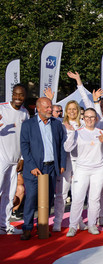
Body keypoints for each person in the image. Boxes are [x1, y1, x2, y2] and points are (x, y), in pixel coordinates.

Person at [20, 97, 67, 240]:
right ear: (38, 108)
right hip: (34, 169)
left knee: (48, 199)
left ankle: (43, 226)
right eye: (46, 107)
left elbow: (61, 146)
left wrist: (62, 164)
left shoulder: (57, 125)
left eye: (50, 107)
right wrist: (32, 166)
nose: (49, 110)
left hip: (51, 167)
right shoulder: (28, 125)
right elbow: (24, 146)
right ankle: (27, 228)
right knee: (31, 198)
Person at [63, 108, 103, 237]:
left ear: (96, 119)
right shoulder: (77, 132)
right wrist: (71, 133)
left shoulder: (100, 132)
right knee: (78, 198)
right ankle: (73, 226)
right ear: (83, 118)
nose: (89, 119)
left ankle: (92, 225)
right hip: (82, 169)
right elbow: (67, 148)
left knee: (94, 199)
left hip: (98, 170)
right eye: (87, 117)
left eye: (92, 117)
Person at [0, 84, 29, 235]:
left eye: (21, 95)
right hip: (1, 158)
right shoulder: (2, 108)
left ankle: (4, 226)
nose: (18, 98)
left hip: (15, 160)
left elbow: (25, 138)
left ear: (25, 96)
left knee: (10, 194)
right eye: (15, 94)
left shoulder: (25, 113)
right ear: (12, 94)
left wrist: (22, 158)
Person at [52, 99, 83, 232]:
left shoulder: (83, 124)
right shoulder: (60, 124)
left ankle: (78, 220)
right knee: (61, 193)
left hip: (80, 163)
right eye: (69, 109)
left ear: (78, 111)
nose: (71, 111)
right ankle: (57, 221)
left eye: (74, 109)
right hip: (65, 162)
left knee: (78, 194)